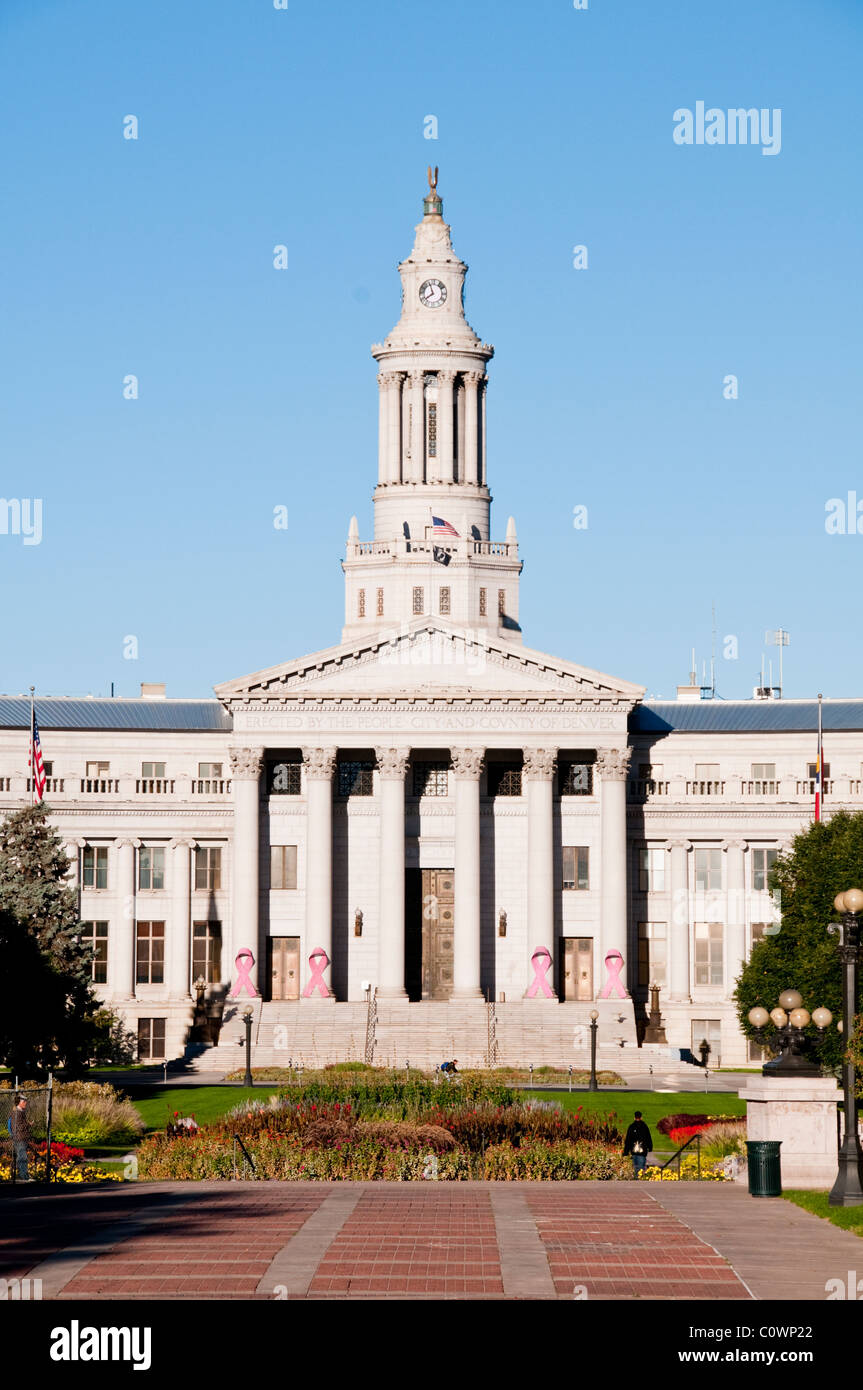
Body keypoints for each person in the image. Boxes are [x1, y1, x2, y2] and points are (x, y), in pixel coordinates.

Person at [623, 1110, 653, 1176]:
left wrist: (626, 1152)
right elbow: (648, 1138)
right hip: (642, 1152)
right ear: (641, 1117)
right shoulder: (644, 1127)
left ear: (634, 1117)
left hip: (633, 1151)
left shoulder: (631, 1127)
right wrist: (650, 1147)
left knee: (634, 1168)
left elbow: (628, 1140)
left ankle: (635, 1180)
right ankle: (639, 1181)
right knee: (641, 1169)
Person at [10, 1096, 31, 1182]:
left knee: (22, 1157)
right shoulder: (17, 1113)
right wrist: (28, 1124)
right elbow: (18, 1127)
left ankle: (22, 1175)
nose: (25, 1102)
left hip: (21, 1138)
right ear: (19, 1102)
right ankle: (23, 1176)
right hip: (19, 1138)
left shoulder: (20, 1112)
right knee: (22, 1157)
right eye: (24, 1101)